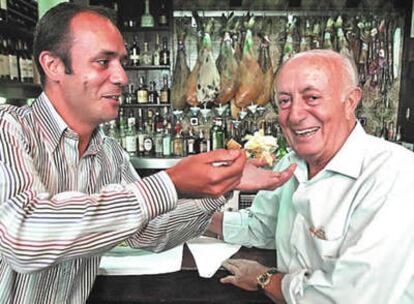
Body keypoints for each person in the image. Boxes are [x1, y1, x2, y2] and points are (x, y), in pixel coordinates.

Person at [0, 3, 296, 303]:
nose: (122, 77)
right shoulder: (8, 128)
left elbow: (152, 232)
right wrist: (171, 183)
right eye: (103, 62)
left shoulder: (108, 154)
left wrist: (221, 185)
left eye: (121, 61)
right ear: (53, 65)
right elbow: (24, 237)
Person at [208, 49, 414, 303]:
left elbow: (351, 295)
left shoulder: (395, 173)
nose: (294, 115)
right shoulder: (291, 163)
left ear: (350, 102)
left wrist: (265, 278)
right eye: (285, 101)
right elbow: (260, 227)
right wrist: (186, 214)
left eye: (312, 97)